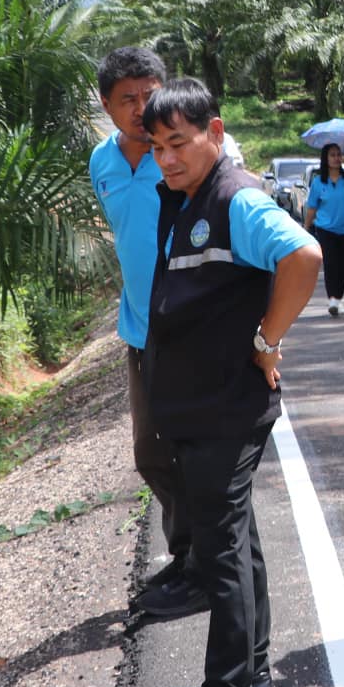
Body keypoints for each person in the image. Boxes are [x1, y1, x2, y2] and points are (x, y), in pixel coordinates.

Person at [137, 78, 322, 687]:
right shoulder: (184, 199)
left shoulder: (235, 196)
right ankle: (254, 674)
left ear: (214, 132)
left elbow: (304, 256)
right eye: (157, 148)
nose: (168, 159)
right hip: (198, 402)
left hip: (225, 404)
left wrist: (269, 339)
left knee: (220, 554)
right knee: (236, 543)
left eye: (179, 143)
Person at [88, 46, 204, 619]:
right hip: (140, 330)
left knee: (199, 452)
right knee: (152, 454)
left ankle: (205, 567)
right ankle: (189, 559)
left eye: (148, 93)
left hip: (194, 331)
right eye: (126, 99)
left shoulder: (187, 157)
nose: (140, 108)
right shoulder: (102, 163)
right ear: (106, 106)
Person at [302, 143, 344, 316]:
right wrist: (306, 228)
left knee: (342, 265)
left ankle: (338, 298)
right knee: (330, 264)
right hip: (325, 229)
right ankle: (332, 300)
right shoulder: (319, 182)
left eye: (338, 154)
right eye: (332, 155)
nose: (336, 158)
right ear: (325, 159)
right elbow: (312, 207)